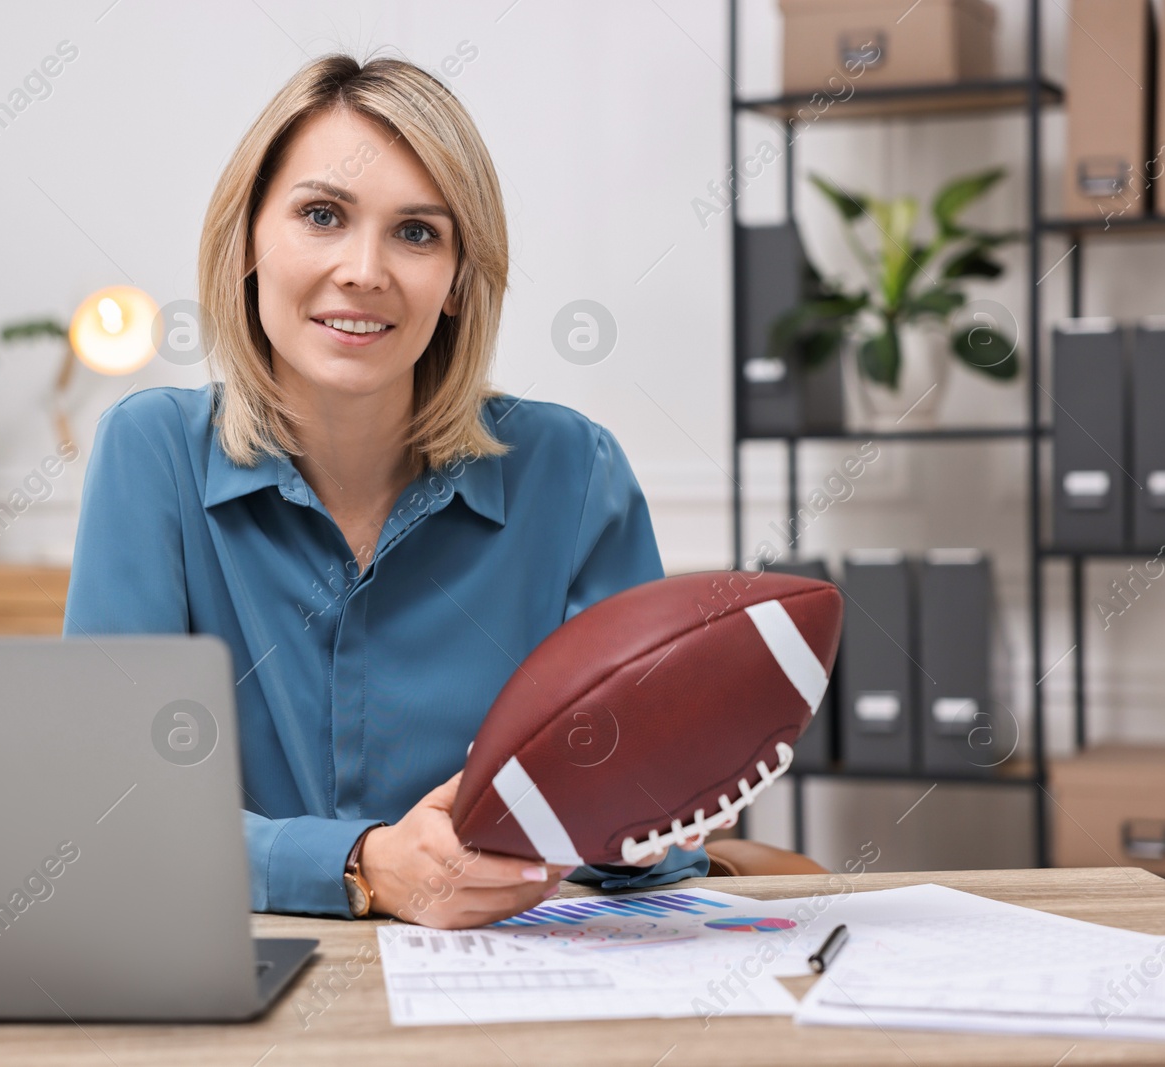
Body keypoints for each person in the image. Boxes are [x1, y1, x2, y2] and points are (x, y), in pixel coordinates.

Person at [63, 52, 707, 929]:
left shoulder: (571, 467)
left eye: (417, 232)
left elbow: (647, 835)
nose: (365, 270)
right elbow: (111, 811)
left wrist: (651, 809)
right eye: (322, 215)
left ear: (455, 281)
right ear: (250, 237)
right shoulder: (152, 454)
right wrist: (360, 864)